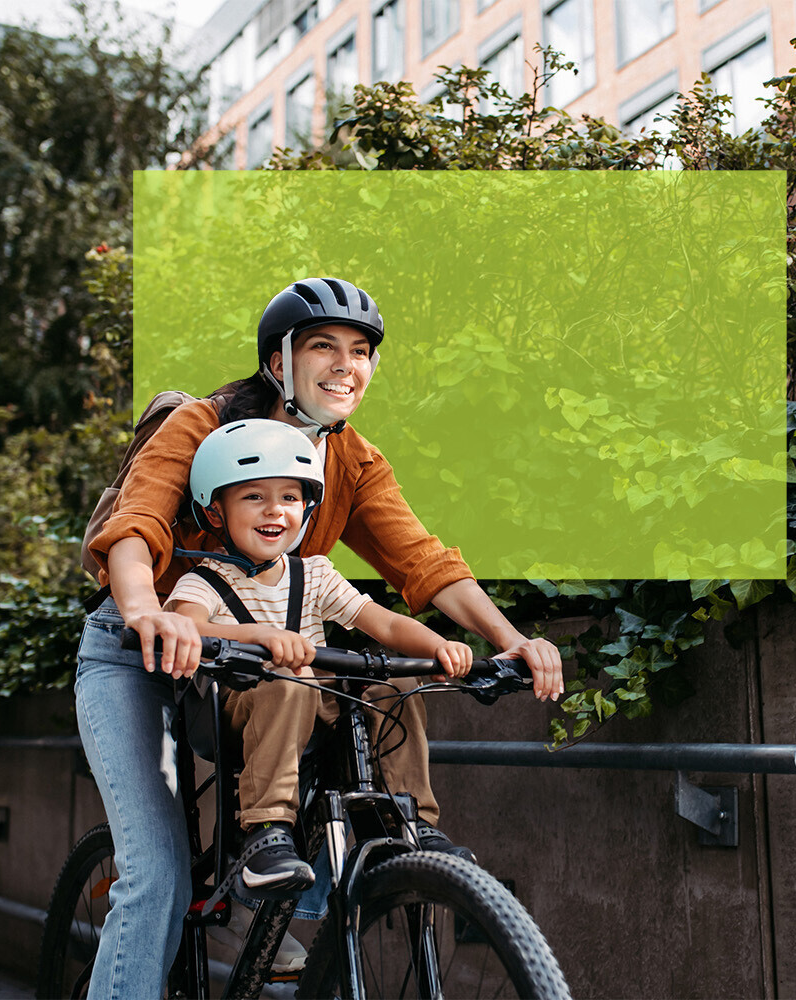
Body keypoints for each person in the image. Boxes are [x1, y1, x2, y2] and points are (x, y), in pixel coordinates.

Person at [77, 276, 563, 998]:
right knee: (158, 872)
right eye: (323, 347)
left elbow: (421, 562)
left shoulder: (352, 460)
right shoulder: (201, 426)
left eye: (361, 351)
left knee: (365, 719)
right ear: (279, 363)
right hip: (140, 642)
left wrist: (510, 637)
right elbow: (139, 522)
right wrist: (147, 608)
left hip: (264, 655)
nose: (346, 365)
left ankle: (280, 904)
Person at [165, 417, 474, 894]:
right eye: (254, 497)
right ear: (215, 513)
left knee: (396, 687)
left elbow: (384, 622)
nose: (275, 510)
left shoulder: (313, 574)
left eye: (290, 497)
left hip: (316, 701)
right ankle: (265, 832)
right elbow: (183, 625)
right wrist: (261, 636)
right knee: (287, 677)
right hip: (237, 708)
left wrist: (438, 645)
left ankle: (408, 820)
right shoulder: (202, 579)